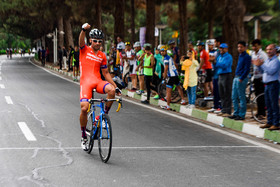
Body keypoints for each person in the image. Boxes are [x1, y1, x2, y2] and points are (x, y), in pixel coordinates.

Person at [79, 23, 121, 150]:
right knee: (84, 108)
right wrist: (83, 30)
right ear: (91, 40)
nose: (97, 43)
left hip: (97, 81)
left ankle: (103, 117)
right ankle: (83, 137)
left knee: (111, 91)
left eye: (100, 41)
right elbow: (81, 40)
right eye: (95, 40)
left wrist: (115, 86)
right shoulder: (84, 49)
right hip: (86, 82)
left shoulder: (102, 55)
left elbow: (106, 73)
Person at [253, 44, 280, 130]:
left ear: (275, 50)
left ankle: (276, 123)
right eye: (267, 49)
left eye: (270, 49)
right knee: (268, 104)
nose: (268, 51)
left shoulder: (276, 61)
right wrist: (258, 65)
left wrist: (262, 64)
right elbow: (264, 71)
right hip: (267, 85)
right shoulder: (268, 60)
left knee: (274, 104)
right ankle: (269, 122)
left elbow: (271, 71)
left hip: (273, 84)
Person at [229, 41, 251, 120]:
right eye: (238, 47)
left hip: (241, 78)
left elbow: (247, 69)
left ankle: (242, 115)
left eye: (241, 47)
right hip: (236, 77)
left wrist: (241, 78)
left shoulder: (247, 57)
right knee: (234, 96)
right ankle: (236, 113)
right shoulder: (240, 55)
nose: (239, 48)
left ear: (245, 47)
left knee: (241, 97)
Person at [160, 45, 185, 110]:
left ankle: (168, 106)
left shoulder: (165, 59)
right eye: (161, 51)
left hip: (171, 76)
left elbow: (166, 68)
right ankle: (183, 100)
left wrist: (164, 76)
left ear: (166, 51)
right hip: (175, 74)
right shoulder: (170, 57)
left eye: (163, 51)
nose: (162, 53)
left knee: (168, 91)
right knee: (179, 87)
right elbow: (175, 64)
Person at [251, 39, 268, 120]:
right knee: (257, 95)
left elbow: (266, 65)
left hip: (262, 77)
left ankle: (262, 113)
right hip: (256, 77)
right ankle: (258, 112)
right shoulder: (253, 54)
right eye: (253, 46)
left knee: (261, 96)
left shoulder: (263, 54)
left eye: (256, 46)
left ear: (259, 46)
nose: (254, 47)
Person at [215, 43, 233, 117]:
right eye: (220, 48)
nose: (221, 49)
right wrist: (215, 62)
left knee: (227, 93)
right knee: (221, 93)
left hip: (226, 75)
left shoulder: (228, 56)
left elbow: (224, 65)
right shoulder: (219, 56)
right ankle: (223, 109)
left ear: (226, 49)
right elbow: (217, 65)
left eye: (222, 48)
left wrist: (217, 63)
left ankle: (228, 111)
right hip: (220, 75)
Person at [208, 40, 221, 113]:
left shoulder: (219, 52)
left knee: (219, 91)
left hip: (219, 74)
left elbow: (212, 59)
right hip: (215, 73)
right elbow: (210, 59)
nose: (214, 44)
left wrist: (213, 60)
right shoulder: (216, 52)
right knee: (215, 91)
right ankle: (215, 106)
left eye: (215, 42)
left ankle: (219, 106)